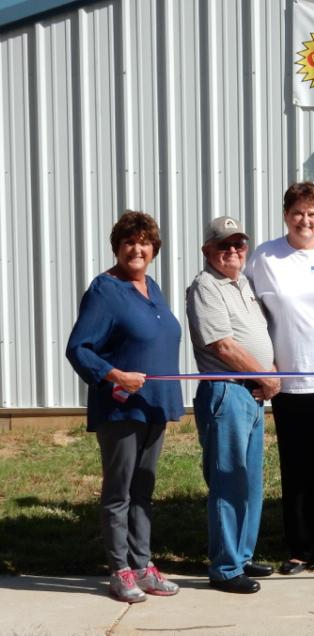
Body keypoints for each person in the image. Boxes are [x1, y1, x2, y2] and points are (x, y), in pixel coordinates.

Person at [66, 211, 183, 603]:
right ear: (117, 247)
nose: (137, 248)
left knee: (143, 490)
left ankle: (142, 565)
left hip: (154, 406)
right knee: (119, 492)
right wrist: (115, 375)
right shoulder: (104, 290)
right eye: (129, 242)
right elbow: (78, 347)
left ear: (154, 249)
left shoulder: (152, 286)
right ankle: (118, 570)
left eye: (145, 242)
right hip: (121, 408)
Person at [245, 182, 314, 576]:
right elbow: (252, 315)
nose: (304, 220)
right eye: (297, 213)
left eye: (312, 214)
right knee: (297, 469)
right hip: (290, 384)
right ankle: (300, 547)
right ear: (285, 215)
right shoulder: (265, 257)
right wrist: (260, 367)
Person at [186, 216, 280, 594]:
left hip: (251, 393)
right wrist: (267, 376)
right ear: (208, 250)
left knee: (249, 480)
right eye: (223, 246)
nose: (232, 252)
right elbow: (222, 346)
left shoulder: (242, 284)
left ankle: (241, 555)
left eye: (239, 245)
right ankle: (225, 568)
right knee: (227, 480)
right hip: (226, 391)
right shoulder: (205, 286)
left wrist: (266, 376)